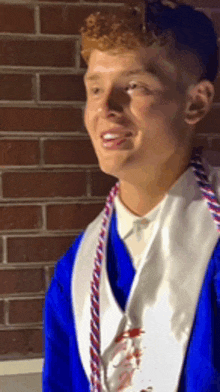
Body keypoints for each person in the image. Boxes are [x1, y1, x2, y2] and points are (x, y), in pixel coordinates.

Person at [43, 0, 220, 390]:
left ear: (196, 102)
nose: (105, 108)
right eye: (94, 88)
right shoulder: (76, 270)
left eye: (134, 86)